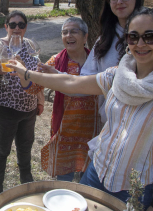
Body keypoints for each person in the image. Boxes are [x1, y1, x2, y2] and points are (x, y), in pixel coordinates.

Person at [8, 7, 153, 210]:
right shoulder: (119, 75)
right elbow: (71, 83)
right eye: (133, 37)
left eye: (150, 36)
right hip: (96, 173)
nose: (140, 44)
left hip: (135, 189)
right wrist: (27, 74)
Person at [25, 17, 99, 182]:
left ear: (85, 37)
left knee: (88, 182)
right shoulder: (56, 61)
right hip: (65, 132)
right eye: (64, 32)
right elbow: (33, 88)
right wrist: (26, 74)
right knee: (63, 182)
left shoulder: (96, 62)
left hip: (92, 132)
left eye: (73, 31)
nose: (68, 35)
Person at [0, 10, 44, 198]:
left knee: (25, 147)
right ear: (6, 27)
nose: (17, 28)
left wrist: (40, 100)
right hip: (5, 109)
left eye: (21, 24)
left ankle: (26, 184)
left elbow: (39, 74)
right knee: (1, 150)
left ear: (26, 27)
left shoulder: (29, 46)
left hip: (29, 108)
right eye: (13, 24)